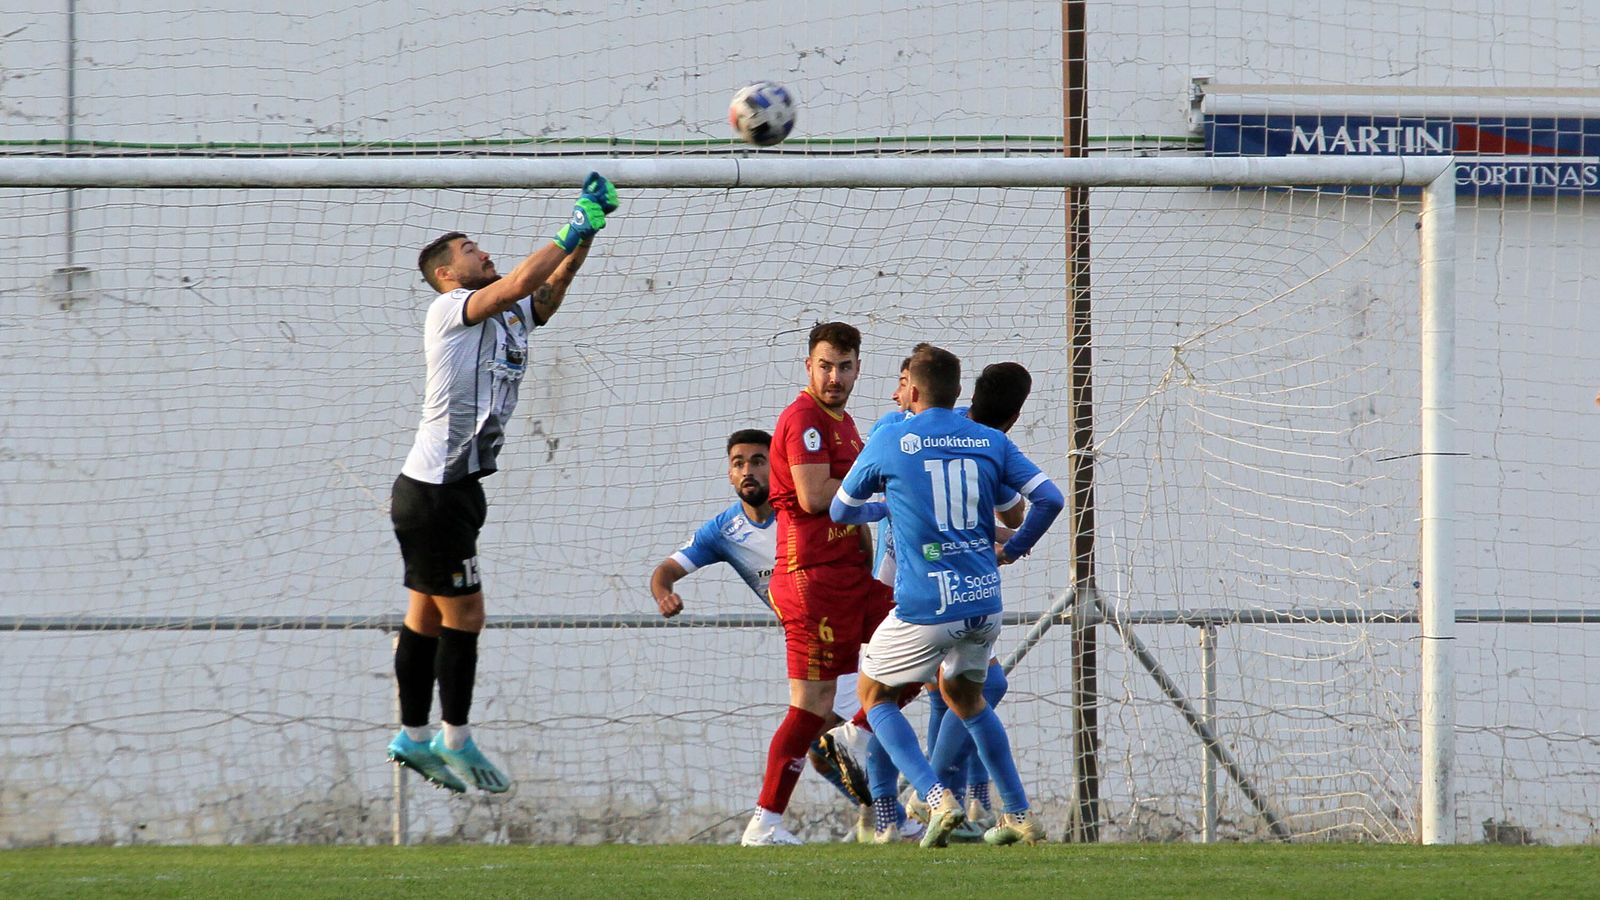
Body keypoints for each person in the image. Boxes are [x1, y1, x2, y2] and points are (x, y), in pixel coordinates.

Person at [384, 173, 619, 794]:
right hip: (433, 493)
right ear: (445, 274)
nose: (483, 252)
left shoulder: (509, 314)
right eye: (470, 250)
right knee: (467, 615)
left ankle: (411, 735)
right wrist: (574, 218)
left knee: (427, 616)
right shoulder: (448, 311)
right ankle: (454, 738)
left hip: (453, 490)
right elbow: (519, 279)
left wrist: (588, 234)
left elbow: (548, 286)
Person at [831, 344, 1063, 847]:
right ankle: (1019, 817)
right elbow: (1049, 499)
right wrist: (1015, 548)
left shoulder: (890, 437)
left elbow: (840, 510)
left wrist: (885, 510)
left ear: (910, 390)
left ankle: (933, 799)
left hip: (923, 603)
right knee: (971, 699)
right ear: (960, 393)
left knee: (876, 698)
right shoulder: (989, 440)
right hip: (983, 601)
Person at [647, 429, 875, 828]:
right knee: (826, 747)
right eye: (738, 463)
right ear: (730, 474)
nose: (748, 470)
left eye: (757, 461)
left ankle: (919, 806)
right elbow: (665, 570)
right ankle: (889, 816)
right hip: (811, 642)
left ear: (778, 465)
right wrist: (664, 591)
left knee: (862, 726)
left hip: (850, 632)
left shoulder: (802, 509)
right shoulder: (724, 531)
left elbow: (859, 535)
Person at [741, 321, 896, 847]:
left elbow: (852, 505)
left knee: (922, 640)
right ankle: (765, 822)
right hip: (811, 580)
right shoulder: (804, 417)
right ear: (808, 365)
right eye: (825, 365)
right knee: (810, 705)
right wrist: (889, 499)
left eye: (845, 366)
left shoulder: (847, 422)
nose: (835, 376)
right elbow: (813, 496)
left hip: (850, 576)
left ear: (858, 367)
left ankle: (858, 730)